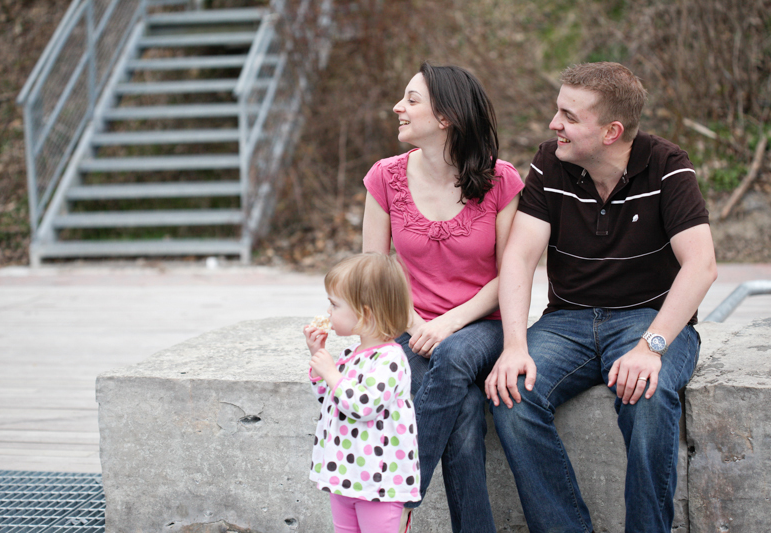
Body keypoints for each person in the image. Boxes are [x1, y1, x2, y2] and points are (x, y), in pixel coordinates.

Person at [485, 62, 718, 532]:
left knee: (648, 396)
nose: (554, 124)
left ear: (611, 131)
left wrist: (651, 347)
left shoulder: (667, 165)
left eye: (569, 117)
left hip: (647, 320)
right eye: (558, 111)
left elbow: (702, 265)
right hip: (566, 321)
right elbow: (519, 258)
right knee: (512, 393)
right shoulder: (550, 161)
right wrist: (514, 346)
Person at [362, 62, 523, 532]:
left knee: (452, 355)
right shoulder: (384, 177)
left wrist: (448, 323)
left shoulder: (500, 179)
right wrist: (415, 324)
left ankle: (400, 501)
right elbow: (374, 270)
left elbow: (509, 275)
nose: (398, 107)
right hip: (407, 327)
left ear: (446, 116)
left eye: (412, 100)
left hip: (481, 327)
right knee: (466, 409)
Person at [304, 252, 420, 533]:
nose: (328, 312)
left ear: (365, 313)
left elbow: (364, 406)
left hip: (378, 481)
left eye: (335, 304)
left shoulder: (390, 359)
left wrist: (332, 373)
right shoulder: (351, 353)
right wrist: (319, 361)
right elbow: (332, 400)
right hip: (344, 474)